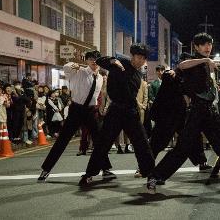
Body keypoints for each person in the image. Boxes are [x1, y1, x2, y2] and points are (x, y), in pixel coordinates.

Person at [146, 33, 220, 194]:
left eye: (210, 44)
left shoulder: (207, 65)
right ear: (196, 46)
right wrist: (205, 60)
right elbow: (181, 66)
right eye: (204, 44)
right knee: (183, 148)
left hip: (210, 111)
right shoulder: (192, 59)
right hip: (196, 111)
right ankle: (155, 176)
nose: (208, 47)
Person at [79, 45, 155, 186]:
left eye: (144, 59)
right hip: (115, 110)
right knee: (103, 143)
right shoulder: (120, 63)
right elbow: (100, 61)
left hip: (131, 112)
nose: (141, 61)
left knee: (142, 143)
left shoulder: (138, 75)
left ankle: (150, 174)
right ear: (132, 56)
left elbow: (131, 96)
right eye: (139, 57)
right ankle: (89, 173)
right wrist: (113, 61)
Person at [37, 50, 112, 182]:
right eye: (91, 59)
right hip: (76, 109)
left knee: (99, 140)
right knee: (63, 140)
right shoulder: (79, 72)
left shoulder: (100, 78)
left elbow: (97, 96)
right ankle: (46, 169)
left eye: (96, 59)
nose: (94, 61)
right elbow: (66, 67)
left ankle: (105, 168)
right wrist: (75, 64)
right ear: (87, 60)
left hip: (90, 111)